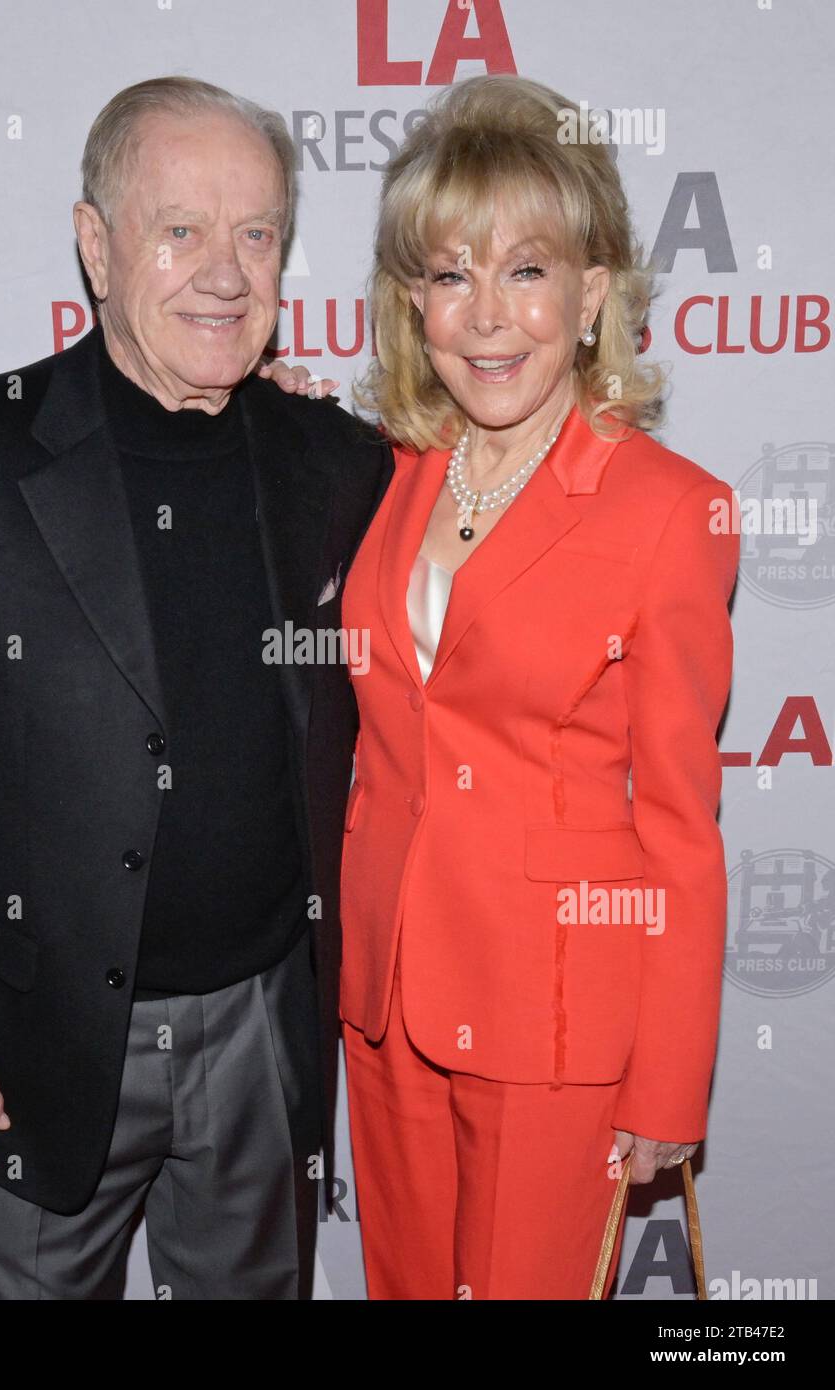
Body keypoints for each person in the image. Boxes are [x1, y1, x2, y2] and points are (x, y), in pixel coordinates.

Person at [0, 76, 392, 1300]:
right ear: (96, 244)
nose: (226, 272)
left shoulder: (340, 461)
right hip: (38, 1043)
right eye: (179, 229)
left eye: (256, 233)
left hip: (264, 1029)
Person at [276, 73, 740, 1300]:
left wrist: (667, 1083)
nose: (486, 317)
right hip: (384, 1001)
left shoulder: (667, 512)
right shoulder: (391, 473)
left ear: (593, 294)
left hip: (554, 1021)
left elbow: (683, 827)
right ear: (410, 300)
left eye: (525, 270)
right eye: (448, 273)